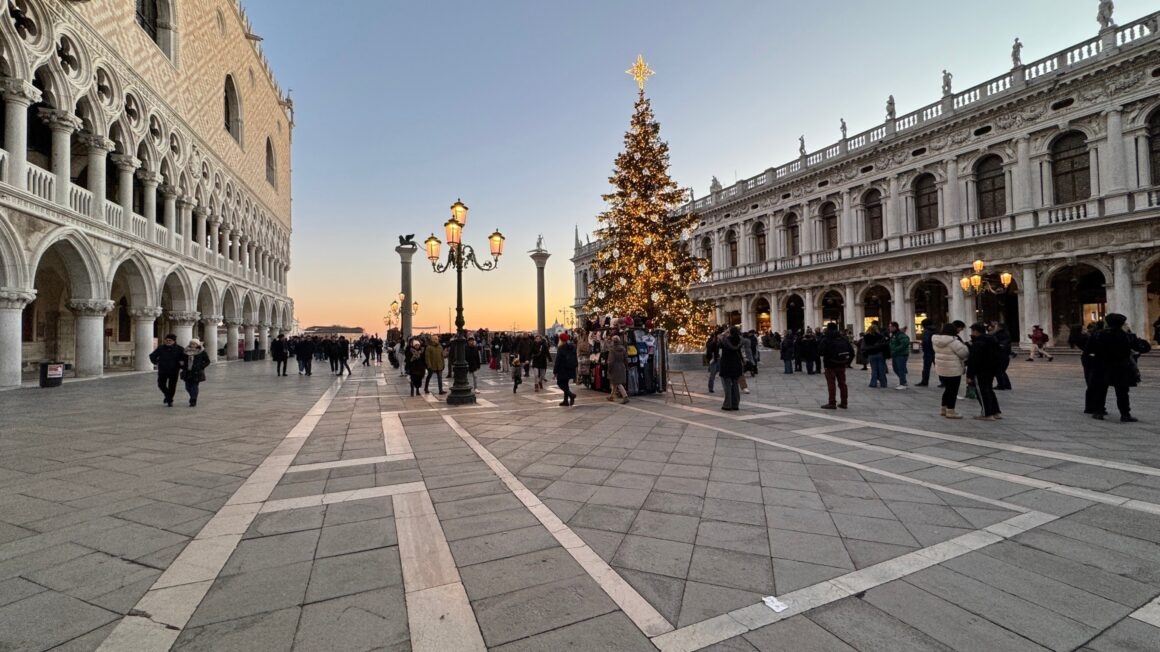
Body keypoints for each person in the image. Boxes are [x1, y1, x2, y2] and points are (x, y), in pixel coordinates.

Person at [1086, 313, 1150, 422]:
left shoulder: (1098, 335)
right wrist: (1131, 334)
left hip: (1102, 366)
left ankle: (1099, 412)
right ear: (1122, 324)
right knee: (1122, 392)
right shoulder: (1127, 336)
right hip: (1121, 367)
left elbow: (1088, 350)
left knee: (1101, 390)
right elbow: (1144, 347)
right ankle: (1125, 414)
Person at [932, 323, 970, 419]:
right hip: (953, 369)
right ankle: (951, 410)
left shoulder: (936, 340)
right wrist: (966, 346)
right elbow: (964, 353)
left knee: (947, 389)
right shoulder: (954, 342)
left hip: (941, 368)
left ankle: (943, 408)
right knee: (953, 390)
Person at [966, 323, 1002, 420]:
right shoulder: (992, 340)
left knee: (982, 392)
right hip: (991, 370)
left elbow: (973, 361)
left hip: (980, 371)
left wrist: (969, 375)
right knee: (989, 390)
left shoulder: (978, 343)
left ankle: (987, 414)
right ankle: (996, 412)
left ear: (975, 331)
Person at [818, 323, 853, 409]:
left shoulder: (826, 339)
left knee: (831, 384)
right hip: (841, 364)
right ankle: (844, 402)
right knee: (842, 384)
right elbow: (852, 352)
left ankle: (832, 402)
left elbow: (820, 352)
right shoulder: (843, 338)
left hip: (830, 364)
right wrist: (847, 362)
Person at [148, 334, 184, 407]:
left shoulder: (180, 349)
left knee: (172, 385)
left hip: (174, 370)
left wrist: (181, 364)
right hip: (163, 370)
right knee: (161, 384)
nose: (168, 342)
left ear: (174, 341)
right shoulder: (161, 348)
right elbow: (152, 355)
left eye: (170, 340)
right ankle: (168, 396)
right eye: (167, 340)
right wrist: (156, 362)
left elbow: (184, 358)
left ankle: (170, 400)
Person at [179, 338, 212, 407]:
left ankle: (193, 400)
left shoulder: (201, 352)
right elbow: (181, 359)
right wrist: (182, 364)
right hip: (187, 371)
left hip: (197, 372)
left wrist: (201, 367)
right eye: (191, 343)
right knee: (187, 387)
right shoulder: (185, 351)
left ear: (197, 345)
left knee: (194, 386)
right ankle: (192, 397)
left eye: (194, 344)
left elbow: (207, 361)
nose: (192, 345)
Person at [717, 326, 744, 410]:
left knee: (727, 385)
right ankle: (735, 404)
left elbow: (719, 342)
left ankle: (727, 404)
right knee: (735, 385)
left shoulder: (725, 340)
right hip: (736, 364)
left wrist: (723, 334)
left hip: (727, 364)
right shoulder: (740, 340)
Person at [553, 332, 578, 406]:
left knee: (560, 383)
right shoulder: (572, 347)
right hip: (570, 368)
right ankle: (565, 401)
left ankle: (571, 395)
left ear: (560, 340)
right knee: (566, 384)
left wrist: (555, 371)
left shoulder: (561, 348)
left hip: (562, 369)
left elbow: (558, 360)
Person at [989, 321, 1013, 390]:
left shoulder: (1000, 334)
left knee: (998, 371)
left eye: (996, 326)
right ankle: (1007, 385)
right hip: (1004, 355)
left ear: (1000, 327)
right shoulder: (1005, 333)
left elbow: (993, 339)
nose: (995, 327)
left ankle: (1001, 385)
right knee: (1002, 371)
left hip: (1000, 355)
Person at [606, 335, 629, 403]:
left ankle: (625, 396)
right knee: (615, 383)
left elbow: (611, 361)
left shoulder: (612, 350)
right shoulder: (623, 348)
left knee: (618, 383)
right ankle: (611, 396)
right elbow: (626, 359)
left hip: (615, 367)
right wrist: (626, 367)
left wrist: (609, 369)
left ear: (613, 342)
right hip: (621, 366)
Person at [888, 321, 910, 390]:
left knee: (901, 369)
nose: (889, 328)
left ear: (895, 327)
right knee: (895, 368)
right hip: (895, 354)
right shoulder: (894, 334)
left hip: (901, 354)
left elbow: (905, 343)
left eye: (890, 327)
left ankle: (903, 383)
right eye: (889, 327)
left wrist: (895, 349)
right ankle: (903, 381)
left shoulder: (900, 334)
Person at [915, 319, 936, 387]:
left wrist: (924, 349)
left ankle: (925, 381)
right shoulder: (936, 330)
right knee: (938, 367)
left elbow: (926, 341)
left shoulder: (926, 331)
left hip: (928, 351)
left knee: (926, 368)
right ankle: (943, 381)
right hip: (935, 351)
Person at [706, 327, 723, 392]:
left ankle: (725, 386)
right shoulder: (713, 342)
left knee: (721, 373)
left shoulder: (719, 342)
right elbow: (710, 351)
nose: (721, 336)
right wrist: (712, 358)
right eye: (720, 335)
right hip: (714, 360)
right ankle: (711, 388)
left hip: (718, 359)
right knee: (712, 374)